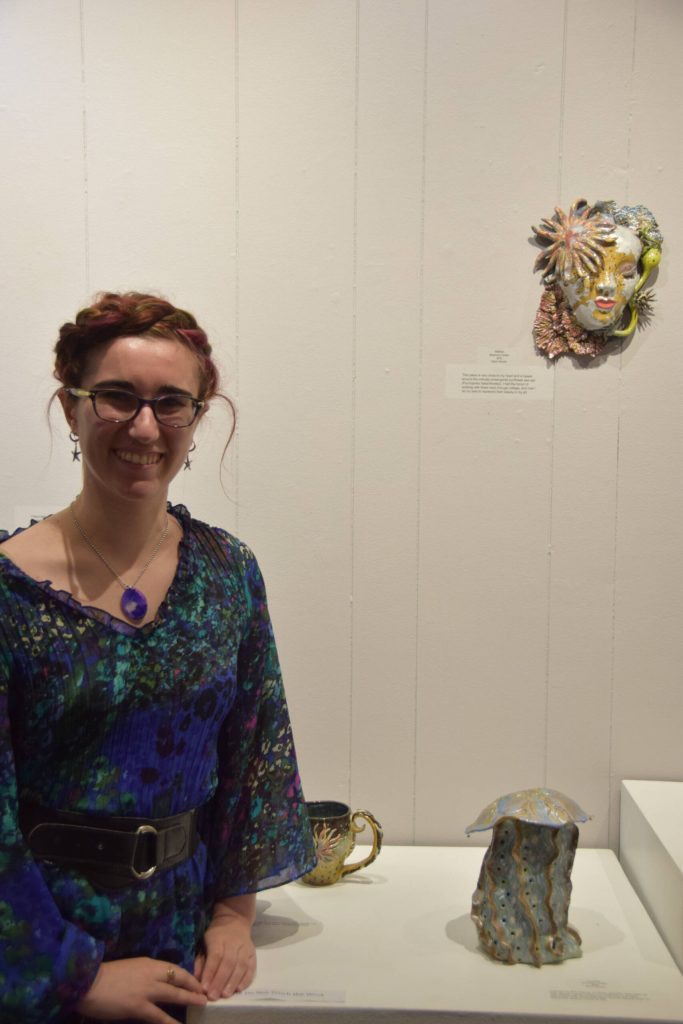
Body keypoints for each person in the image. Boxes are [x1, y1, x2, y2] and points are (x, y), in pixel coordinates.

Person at [0, 292, 316, 1023]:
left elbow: (256, 748)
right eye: (117, 397)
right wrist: (72, 977)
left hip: (183, 927)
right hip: (41, 937)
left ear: (198, 418)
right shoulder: (10, 591)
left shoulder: (226, 570)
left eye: (171, 402)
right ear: (72, 407)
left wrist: (234, 915)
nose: (145, 426)